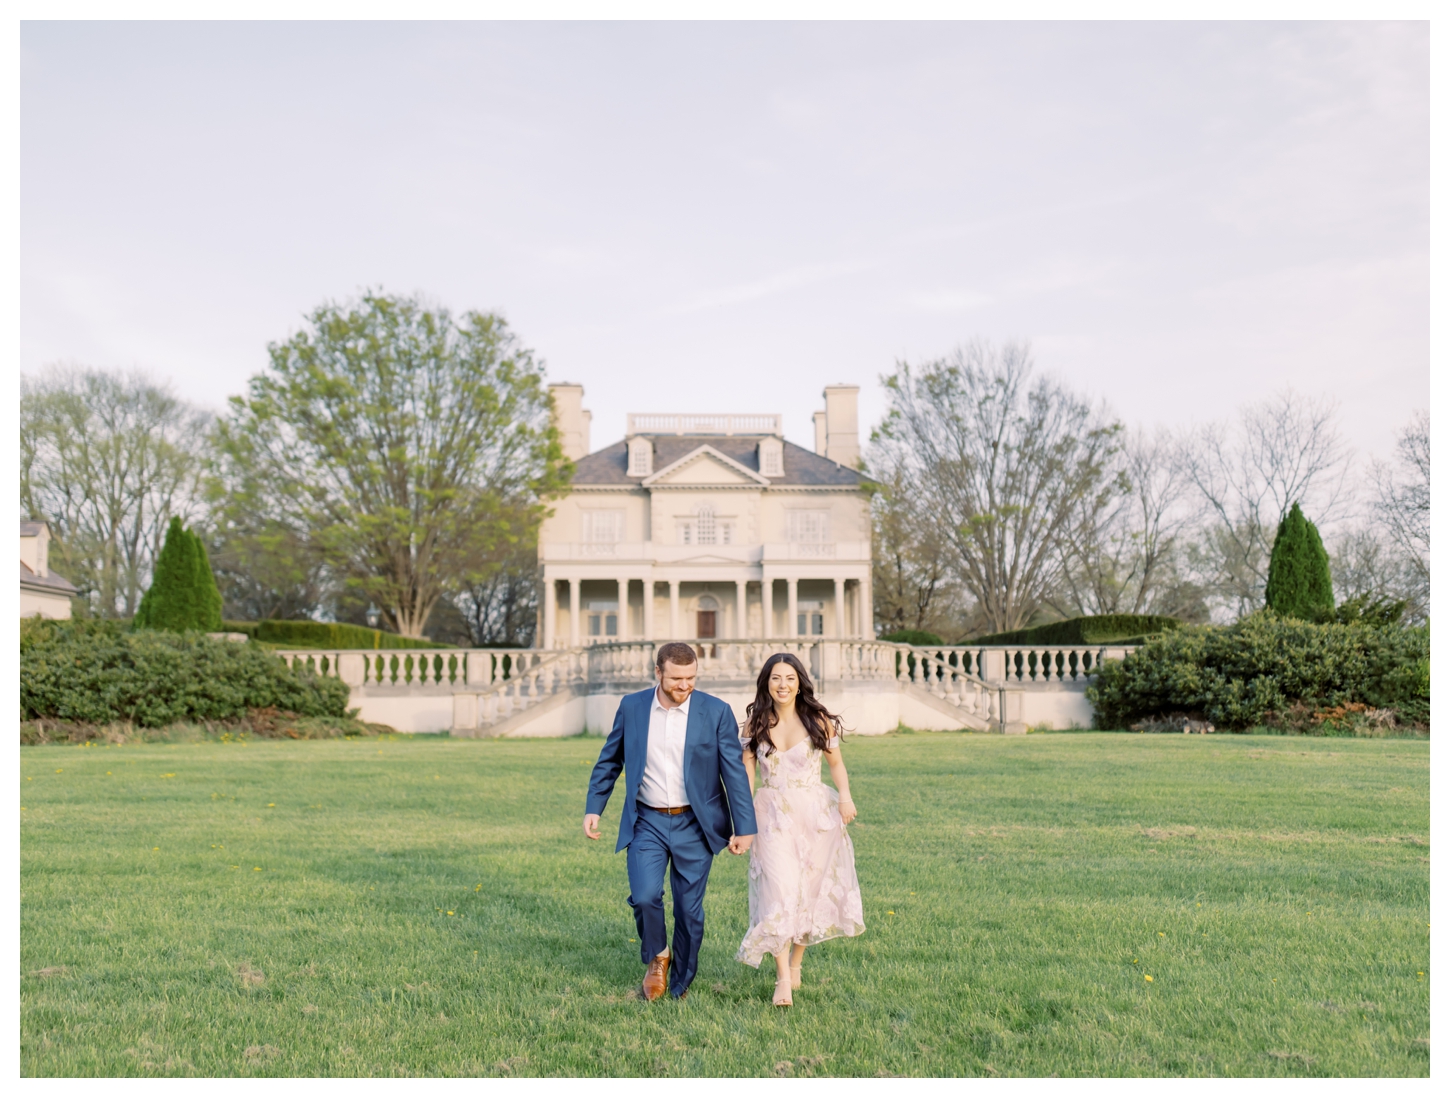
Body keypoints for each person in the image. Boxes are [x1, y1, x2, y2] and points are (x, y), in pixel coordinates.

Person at [584, 642, 758, 1001]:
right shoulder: (632, 707)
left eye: (691, 677)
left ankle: (681, 980)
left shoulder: (715, 711)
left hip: (696, 822)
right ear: (658, 673)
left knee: (689, 910)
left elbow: (734, 774)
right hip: (646, 819)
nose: (685, 685)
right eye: (677, 678)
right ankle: (658, 956)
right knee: (646, 896)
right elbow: (610, 760)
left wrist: (745, 826)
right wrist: (594, 807)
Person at [736, 651, 864, 1006]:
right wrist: (741, 820)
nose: (783, 685)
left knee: (809, 891)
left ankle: (796, 964)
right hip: (771, 816)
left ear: (799, 682)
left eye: (790, 678)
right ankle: (781, 979)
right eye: (776, 678)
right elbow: (746, 777)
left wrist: (845, 797)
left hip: (814, 814)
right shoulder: (754, 724)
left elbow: (836, 765)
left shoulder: (818, 720)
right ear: (766, 682)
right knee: (778, 891)